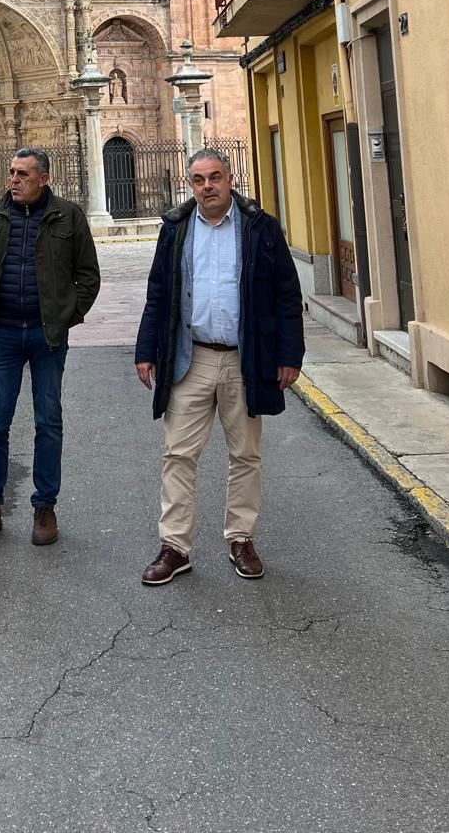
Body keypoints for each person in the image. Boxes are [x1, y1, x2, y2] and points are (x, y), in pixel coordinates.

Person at [134, 148, 304, 585]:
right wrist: (146, 349)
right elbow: (158, 293)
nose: (207, 186)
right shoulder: (175, 230)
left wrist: (289, 355)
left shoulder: (259, 228)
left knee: (245, 454)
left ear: (230, 179)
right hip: (191, 358)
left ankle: (241, 539)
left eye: (214, 177)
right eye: (198, 179)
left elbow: (287, 294)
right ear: (189, 184)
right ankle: (175, 547)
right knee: (178, 454)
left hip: (243, 359)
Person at [0, 148, 101, 547]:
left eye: (22, 174)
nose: (13, 179)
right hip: (4, 332)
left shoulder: (68, 216)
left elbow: (88, 276)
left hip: (47, 335)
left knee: (49, 422)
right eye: (11, 172)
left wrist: (65, 316)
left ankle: (45, 505)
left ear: (43, 179)